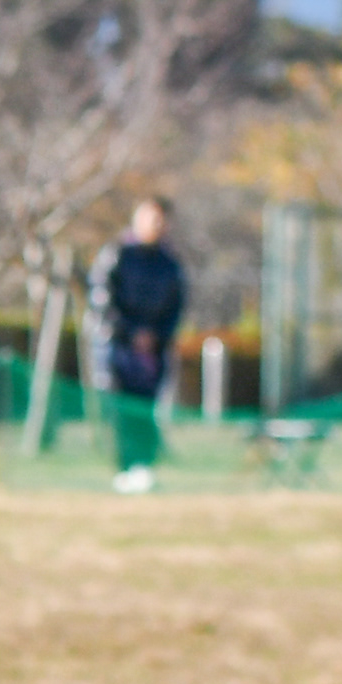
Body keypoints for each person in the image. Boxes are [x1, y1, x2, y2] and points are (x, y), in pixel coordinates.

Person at [89, 197, 188, 495]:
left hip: (152, 353)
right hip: (117, 348)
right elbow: (102, 299)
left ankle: (144, 466)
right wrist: (130, 332)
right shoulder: (117, 254)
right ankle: (124, 468)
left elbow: (176, 306)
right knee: (120, 410)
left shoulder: (169, 263)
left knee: (147, 410)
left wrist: (155, 335)